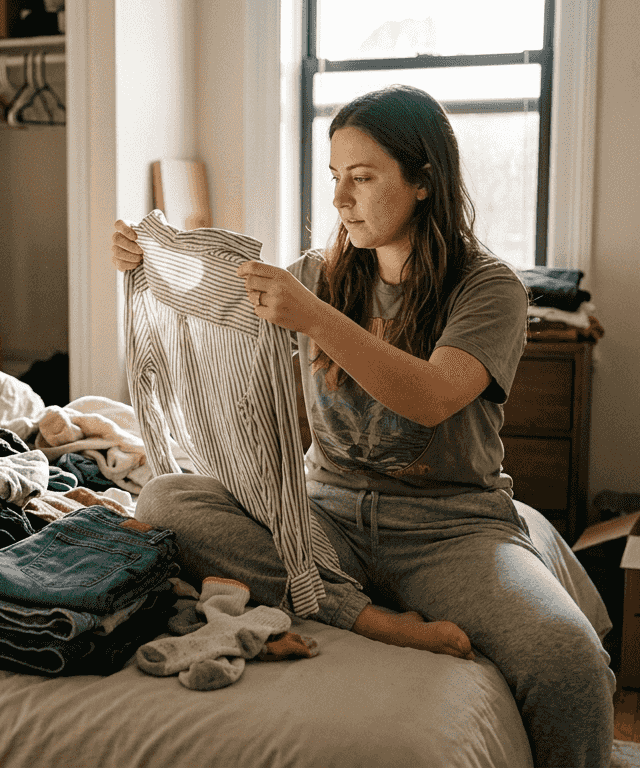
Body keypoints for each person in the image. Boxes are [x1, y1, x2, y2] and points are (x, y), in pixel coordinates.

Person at [112, 84, 614, 768]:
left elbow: (434, 396)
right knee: (167, 498)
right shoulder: (318, 275)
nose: (341, 199)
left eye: (363, 178)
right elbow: (210, 302)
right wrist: (148, 261)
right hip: (328, 520)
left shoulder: (489, 288)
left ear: (423, 181)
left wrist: (315, 318)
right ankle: (369, 618)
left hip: (449, 529)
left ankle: (340, 601)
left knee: (567, 660)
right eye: (334, 178)